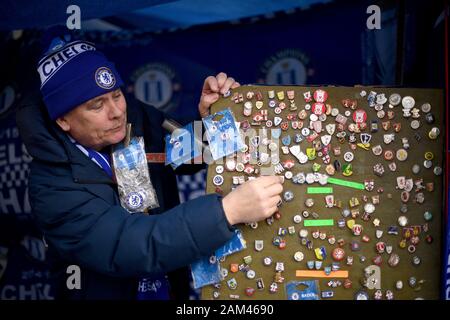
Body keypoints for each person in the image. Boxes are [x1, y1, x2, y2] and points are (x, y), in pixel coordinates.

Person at [16, 34, 283, 300]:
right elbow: (133, 244)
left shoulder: (133, 116)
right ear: (63, 120)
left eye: (117, 95)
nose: (117, 112)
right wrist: (226, 212)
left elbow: (184, 151)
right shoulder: (51, 187)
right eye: (97, 105)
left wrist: (211, 119)